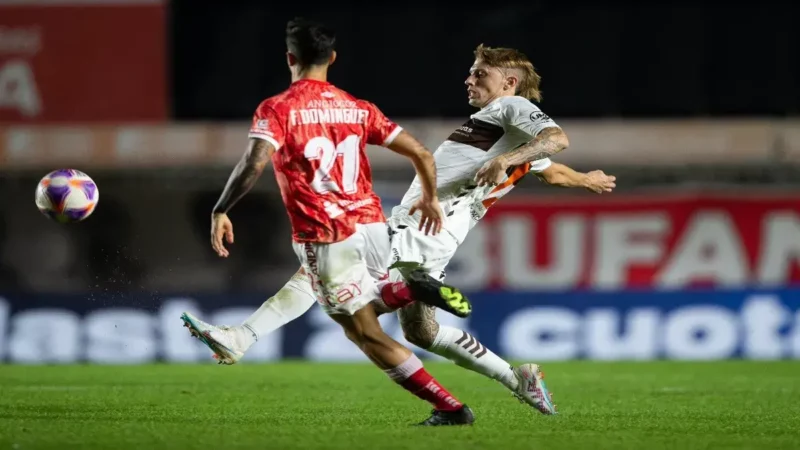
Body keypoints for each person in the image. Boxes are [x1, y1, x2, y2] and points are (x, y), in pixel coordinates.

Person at [187, 43, 617, 416]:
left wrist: (506, 162)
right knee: (420, 332)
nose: (469, 79)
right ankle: (516, 378)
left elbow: (556, 139)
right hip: (430, 232)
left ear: (508, 83)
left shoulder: (512, 108)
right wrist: (584, 179)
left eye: (480, 74)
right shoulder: (499, 126)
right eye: (470, 71)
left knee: (327, 269)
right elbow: (551, 169)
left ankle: (239, 337)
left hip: (427, 226)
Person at [181, 18, 477, 426]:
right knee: (311, 284)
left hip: (324, 233)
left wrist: (221, 208)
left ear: (289, 58)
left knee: (364, 332)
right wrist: (428, 198)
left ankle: (450, 406)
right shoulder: (358, 108)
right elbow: (423, 154)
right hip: (373, 229)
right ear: (332, 58)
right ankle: (240, 338)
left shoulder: (279, 108)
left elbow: (254, 162)